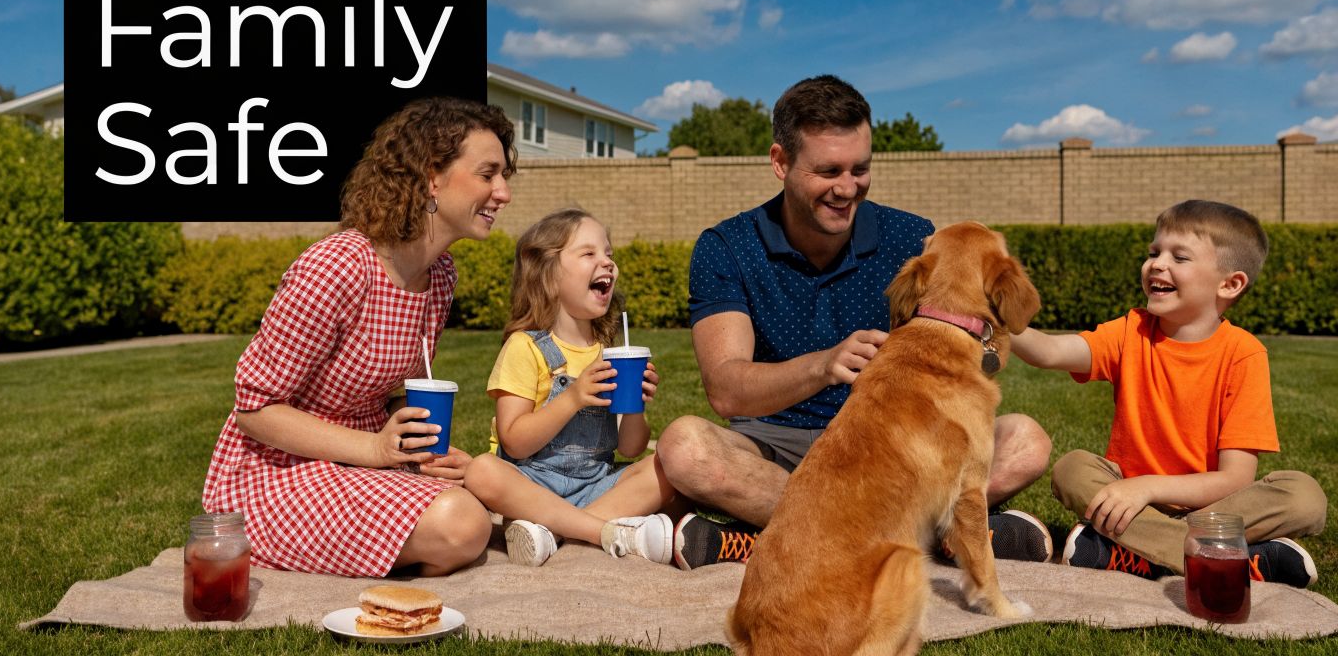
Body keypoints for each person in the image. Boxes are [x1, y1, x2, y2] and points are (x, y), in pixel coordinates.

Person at [655, 75, 1054, 570]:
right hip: (775, 447)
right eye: (828, 171)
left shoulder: (913, 238)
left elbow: (985, 350)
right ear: (780, 162)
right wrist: (824, 366)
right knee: (685, 448)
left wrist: (977, 350)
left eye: (859, 169)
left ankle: (791, 539)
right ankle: (928, 537)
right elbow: (726, 390)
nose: (847, 189)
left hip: (893, 446)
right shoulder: (728, 247)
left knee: (1027, 441)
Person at [201, 97, 516, 577]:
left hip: (361, 461)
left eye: (503, 176)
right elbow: (254, 411)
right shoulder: (337, 267)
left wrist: (414, 443)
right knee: (462, 523)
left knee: (479, 490)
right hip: (275, 473)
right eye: (488, 174)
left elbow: (382, 394)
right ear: (431, 176)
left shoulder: (440, 274)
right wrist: (374, 451)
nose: (503, 193)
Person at [1010, 199, 1326, 587]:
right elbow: (1050, 352)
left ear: (1230, 284)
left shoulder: (1243, 354)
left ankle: (1138, 553)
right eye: (1154, 252)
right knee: (1071, 469)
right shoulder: (1131, 332)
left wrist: (1147, 487)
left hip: (1208, 507)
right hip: (1129, 500)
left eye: (1180, 257)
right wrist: (995, 320)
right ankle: (1225, 557)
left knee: (1304, 496)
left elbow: (1235, 479)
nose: (1157, 264)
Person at [464, 208, 682, 567]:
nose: (607, 263)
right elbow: (514, 441)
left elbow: (630, 447)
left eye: (609, 254)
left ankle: (554, 534)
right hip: (532, 486)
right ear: (548, 273)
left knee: (665, 469)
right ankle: (601, 531)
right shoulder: (526, 347)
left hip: (595, 486)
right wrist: (573, 397)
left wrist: (637, 406)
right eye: (589, 253)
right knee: (482, 471)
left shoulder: (610, 354)